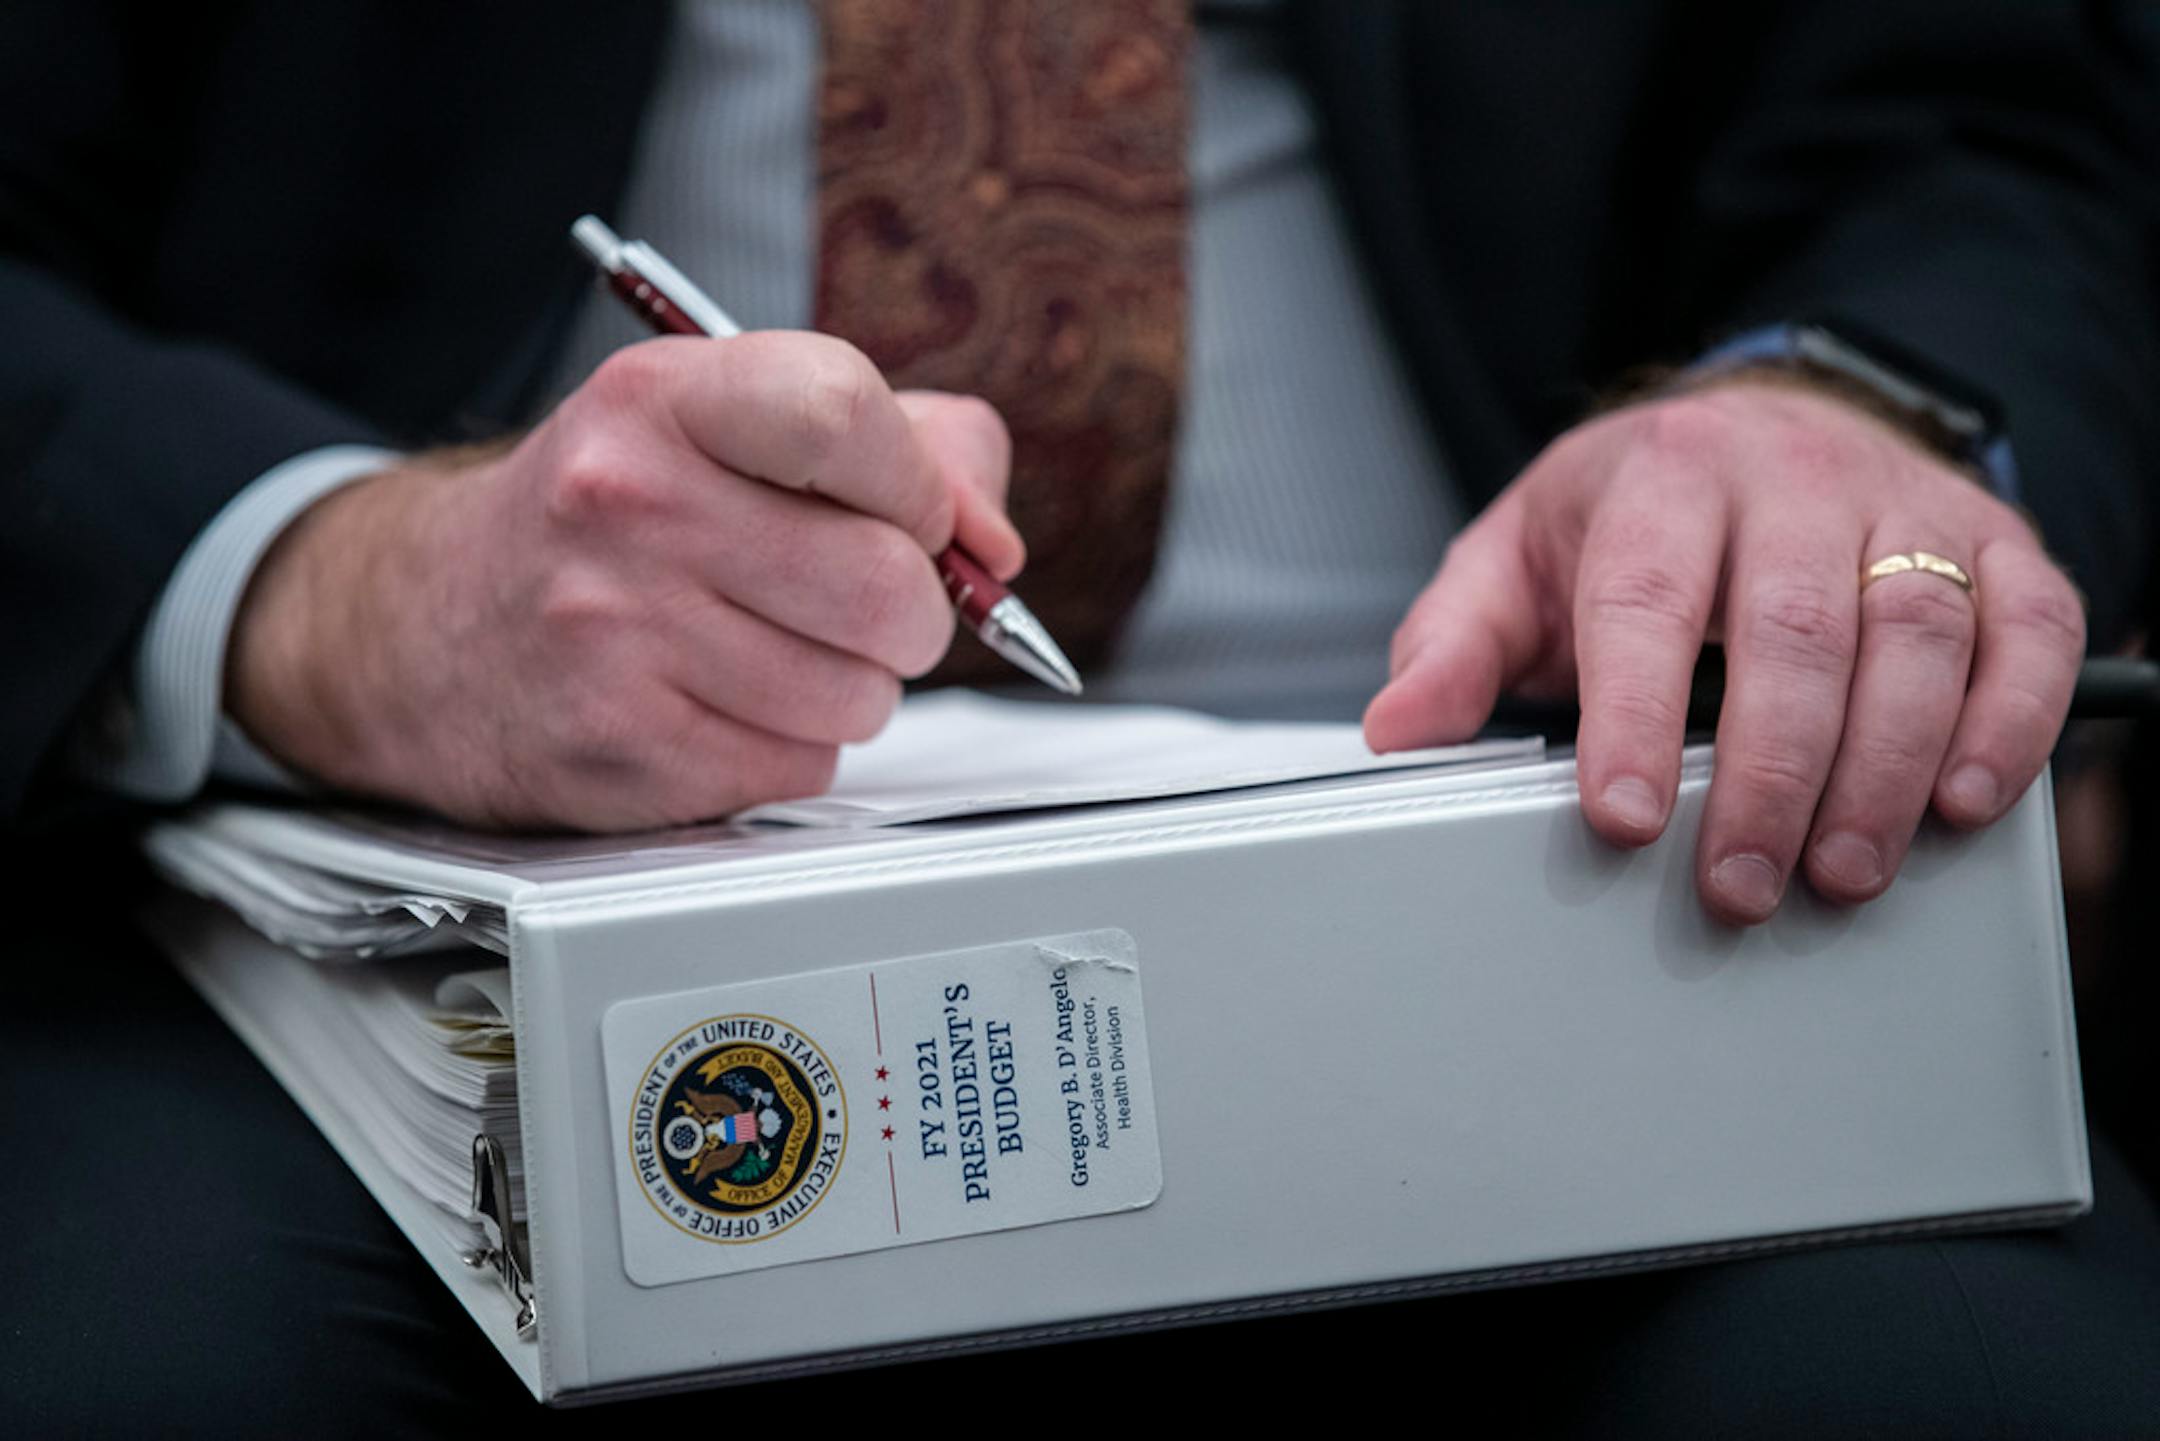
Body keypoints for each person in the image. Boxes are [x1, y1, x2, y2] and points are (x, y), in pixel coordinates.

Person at [4, 1, 2158, 1432]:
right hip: (419, 870)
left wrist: (1831, 404)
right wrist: (327, 581)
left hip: (1511, 814)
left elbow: (1963, 114)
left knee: (1946, 1376)